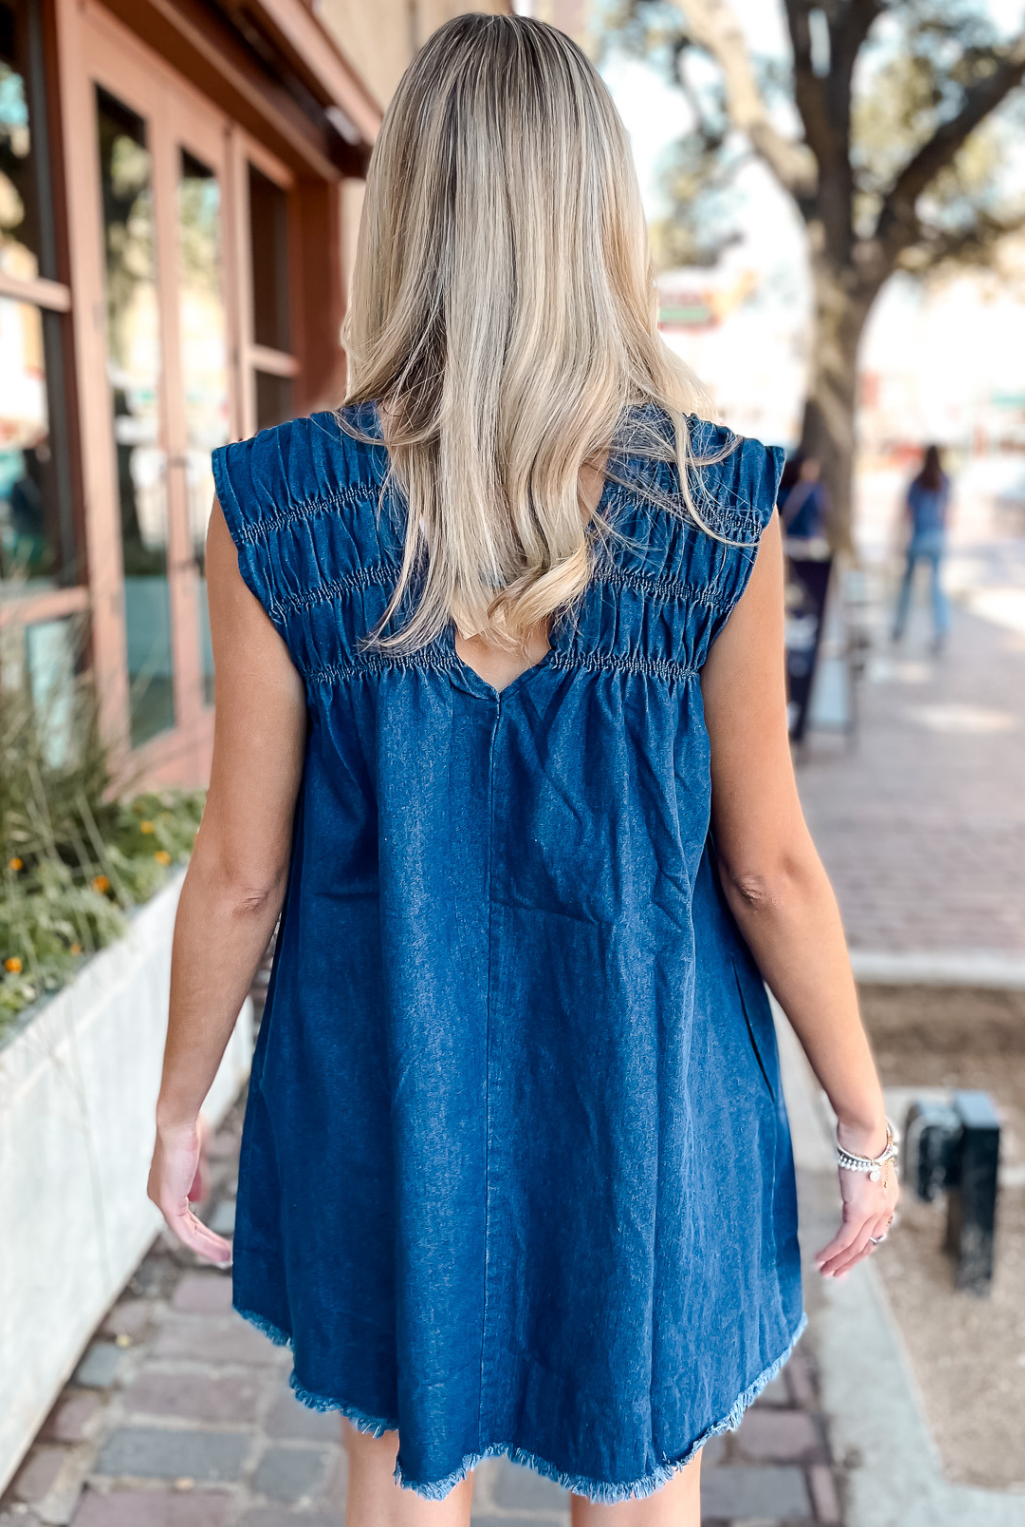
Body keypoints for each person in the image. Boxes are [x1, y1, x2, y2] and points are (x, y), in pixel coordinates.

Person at [146, 16, 899, 1525]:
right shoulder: (711, 508)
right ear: (599, 223)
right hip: (646, 1096)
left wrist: (182, 1107)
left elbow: (240, 863)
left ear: (406, 216)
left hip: (379, 1086)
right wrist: (861, 1117)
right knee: (638, 1472)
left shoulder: (279, 508)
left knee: (402, 1467)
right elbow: (767, 864)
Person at [892, 444, 952, 651]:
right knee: (936, 585)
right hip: (937, 538)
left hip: (918, 538)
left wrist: (900, 539)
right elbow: (947, 511)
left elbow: (906, 512)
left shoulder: (917, 481)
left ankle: (899, 627)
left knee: (907, 585)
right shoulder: (945, 480)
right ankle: (940, 629)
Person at [777, 452, 830, 544]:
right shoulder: (786, 489)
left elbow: (822, 512)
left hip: (811, 538)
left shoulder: (816, 489)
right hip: (793, 538)